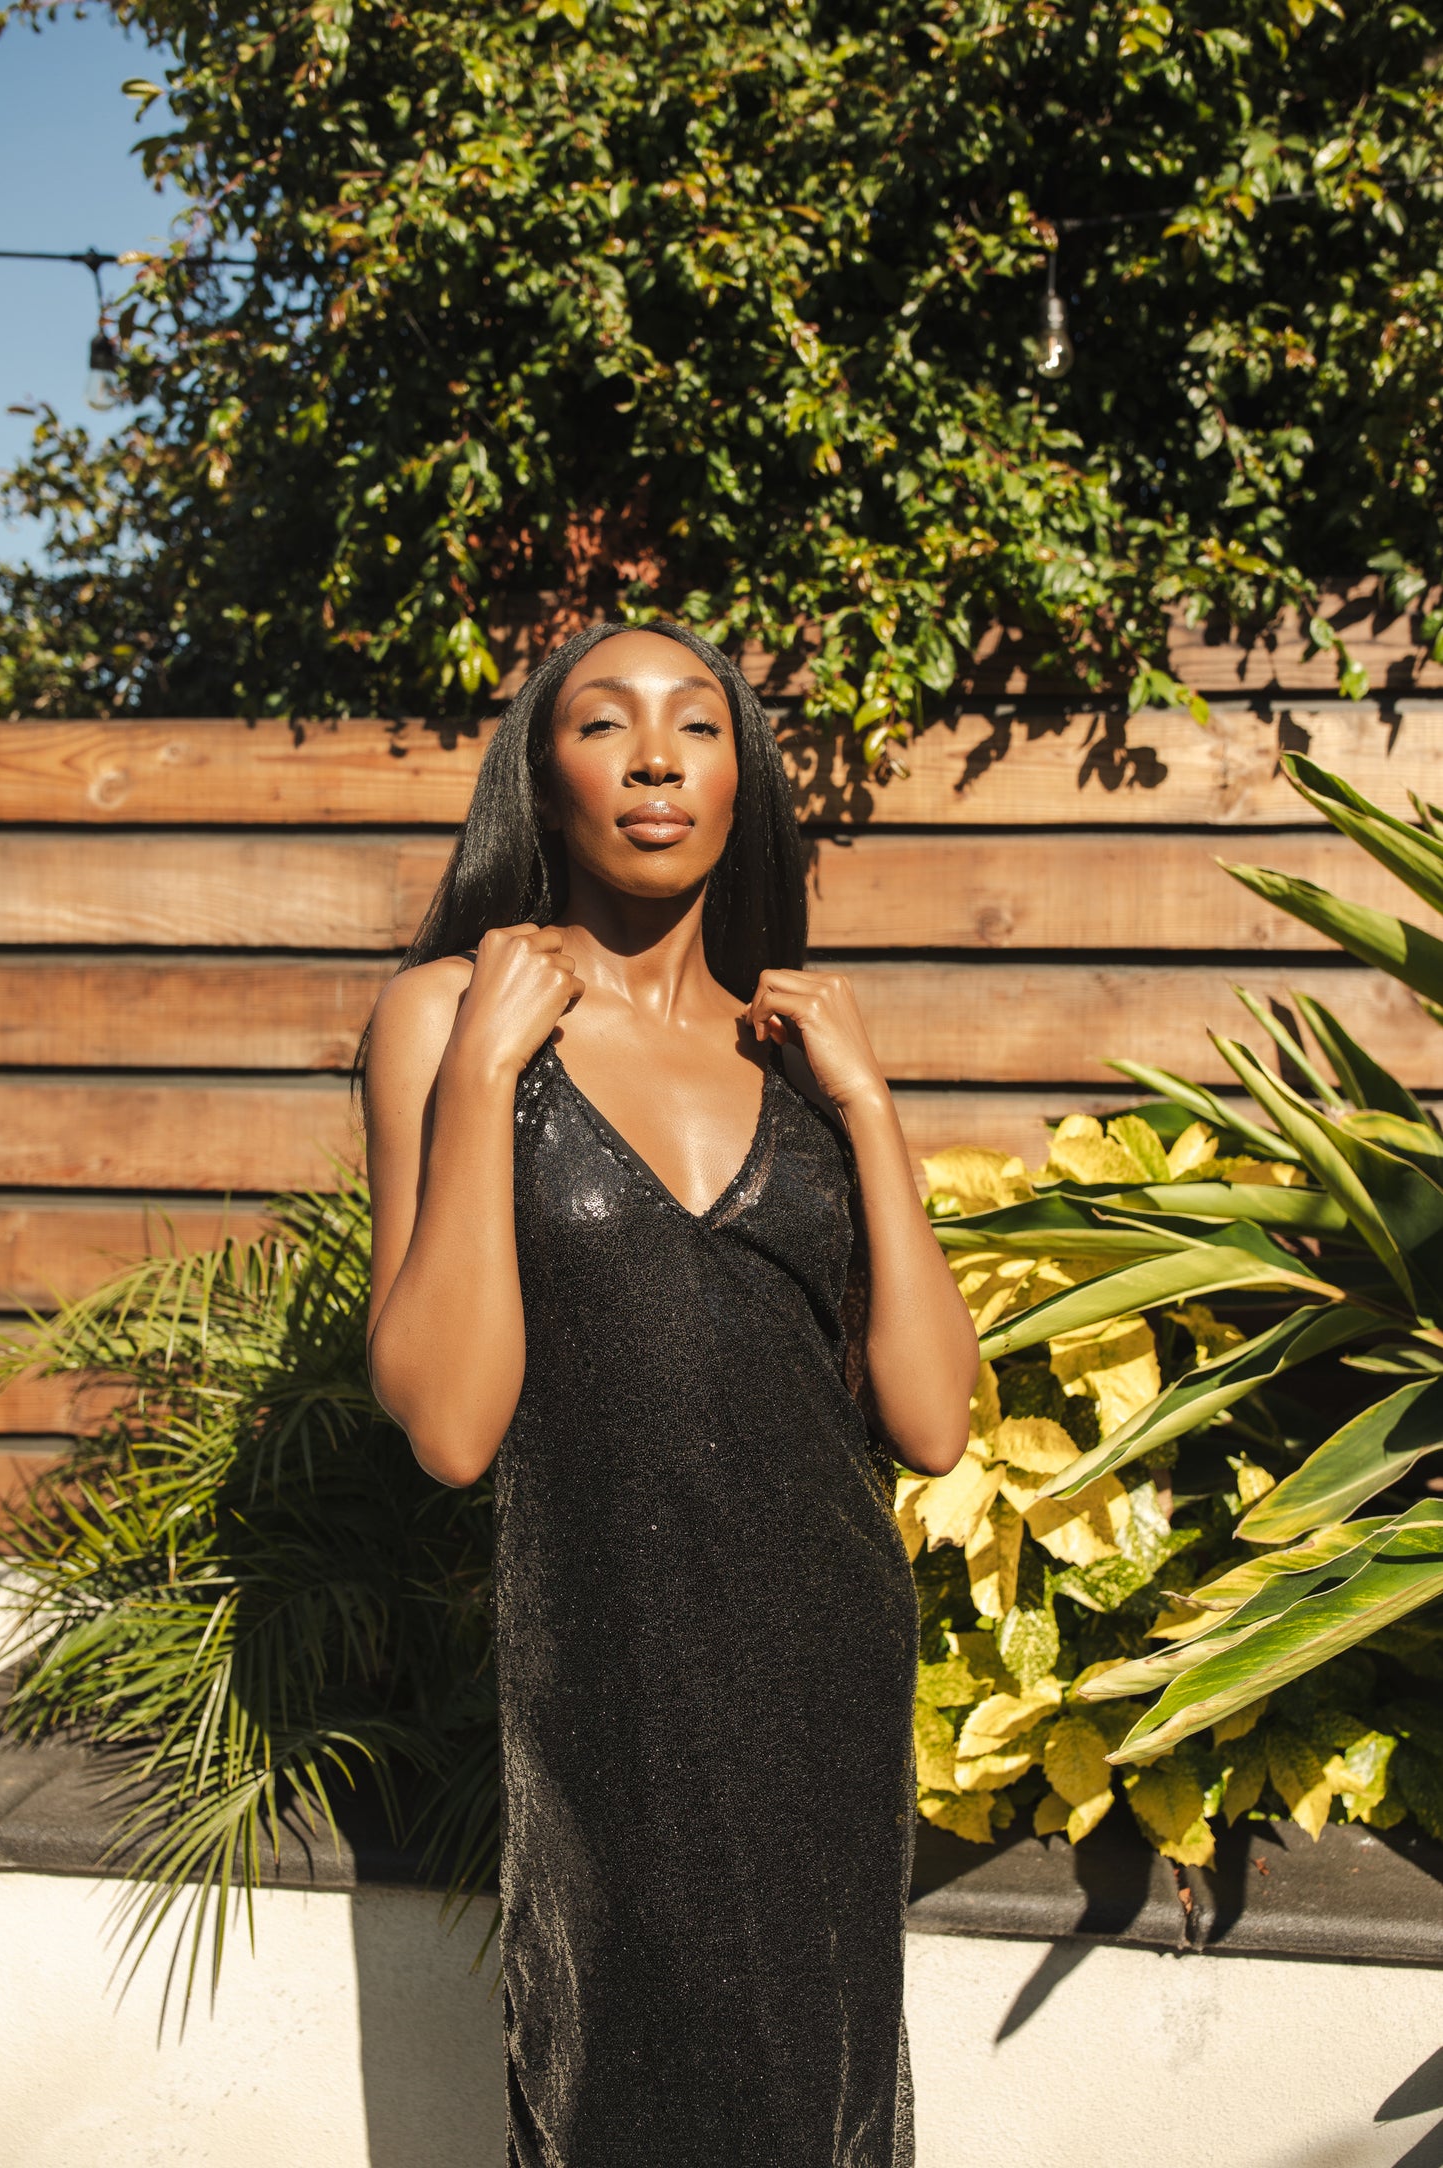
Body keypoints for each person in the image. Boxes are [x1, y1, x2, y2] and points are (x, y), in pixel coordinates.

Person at [363, 620, 978, 2168]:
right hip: (610, 1669)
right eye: (604, 724)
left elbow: (928, 1422)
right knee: (619, 2092)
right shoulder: (448, 1017)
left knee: (824, 2106)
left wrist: (869, 1101)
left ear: (737, 777)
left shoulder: (795, 1051)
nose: (653, 757)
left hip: (825, 1665)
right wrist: (485, 1079)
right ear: (540, 774)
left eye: (696, 727)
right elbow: (448, 1428)